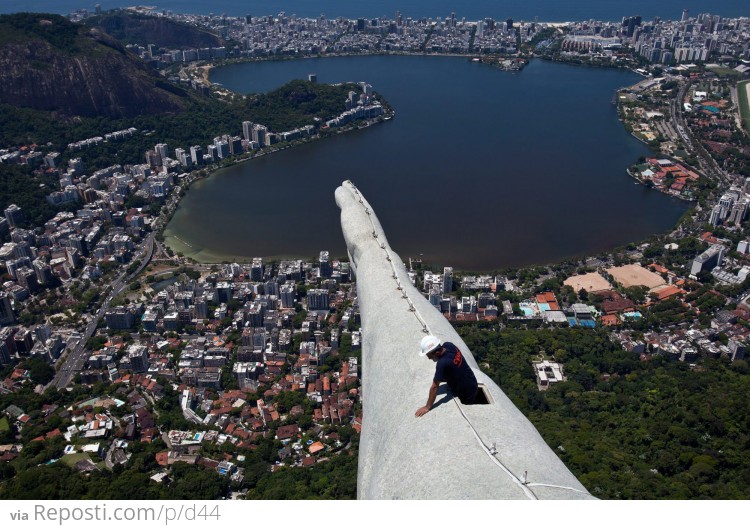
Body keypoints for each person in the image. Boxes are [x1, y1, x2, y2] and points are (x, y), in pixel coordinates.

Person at [415, 335, 478, 417]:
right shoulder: (449, 345)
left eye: (429, 355)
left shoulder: (442, 363)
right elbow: (454, 366)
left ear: (437, 353)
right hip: (472, 381)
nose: (428, 358)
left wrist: (427, 407)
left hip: (466, 393)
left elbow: (434, 387)